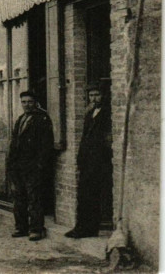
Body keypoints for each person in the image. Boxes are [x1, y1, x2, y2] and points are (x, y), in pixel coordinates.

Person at [66, 85, 112, 239]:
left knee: (97, 194)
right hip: (88, 159)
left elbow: (108, 138)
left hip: (101, 160)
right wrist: (81, 158)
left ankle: (92, 227)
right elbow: (84, 137)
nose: (94, 98)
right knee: (85, 193)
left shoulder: (108, 113)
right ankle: (83, 227)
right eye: (91, 95)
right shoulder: (89, 113)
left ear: (103, 95)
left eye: (97, 94)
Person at [7, 91, 54, 241]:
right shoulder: (21, 119)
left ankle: (36, 229)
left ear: (35, 103)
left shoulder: (42, 119)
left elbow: (46, 145)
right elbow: (15, 143)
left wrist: (40, 165)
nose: (26, 105)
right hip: (19, 166)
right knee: (19, 197)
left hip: (33, 166)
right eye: (24, 102)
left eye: (29, 102)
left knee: (34, 198)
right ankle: (21, 227)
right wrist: (11, 164)